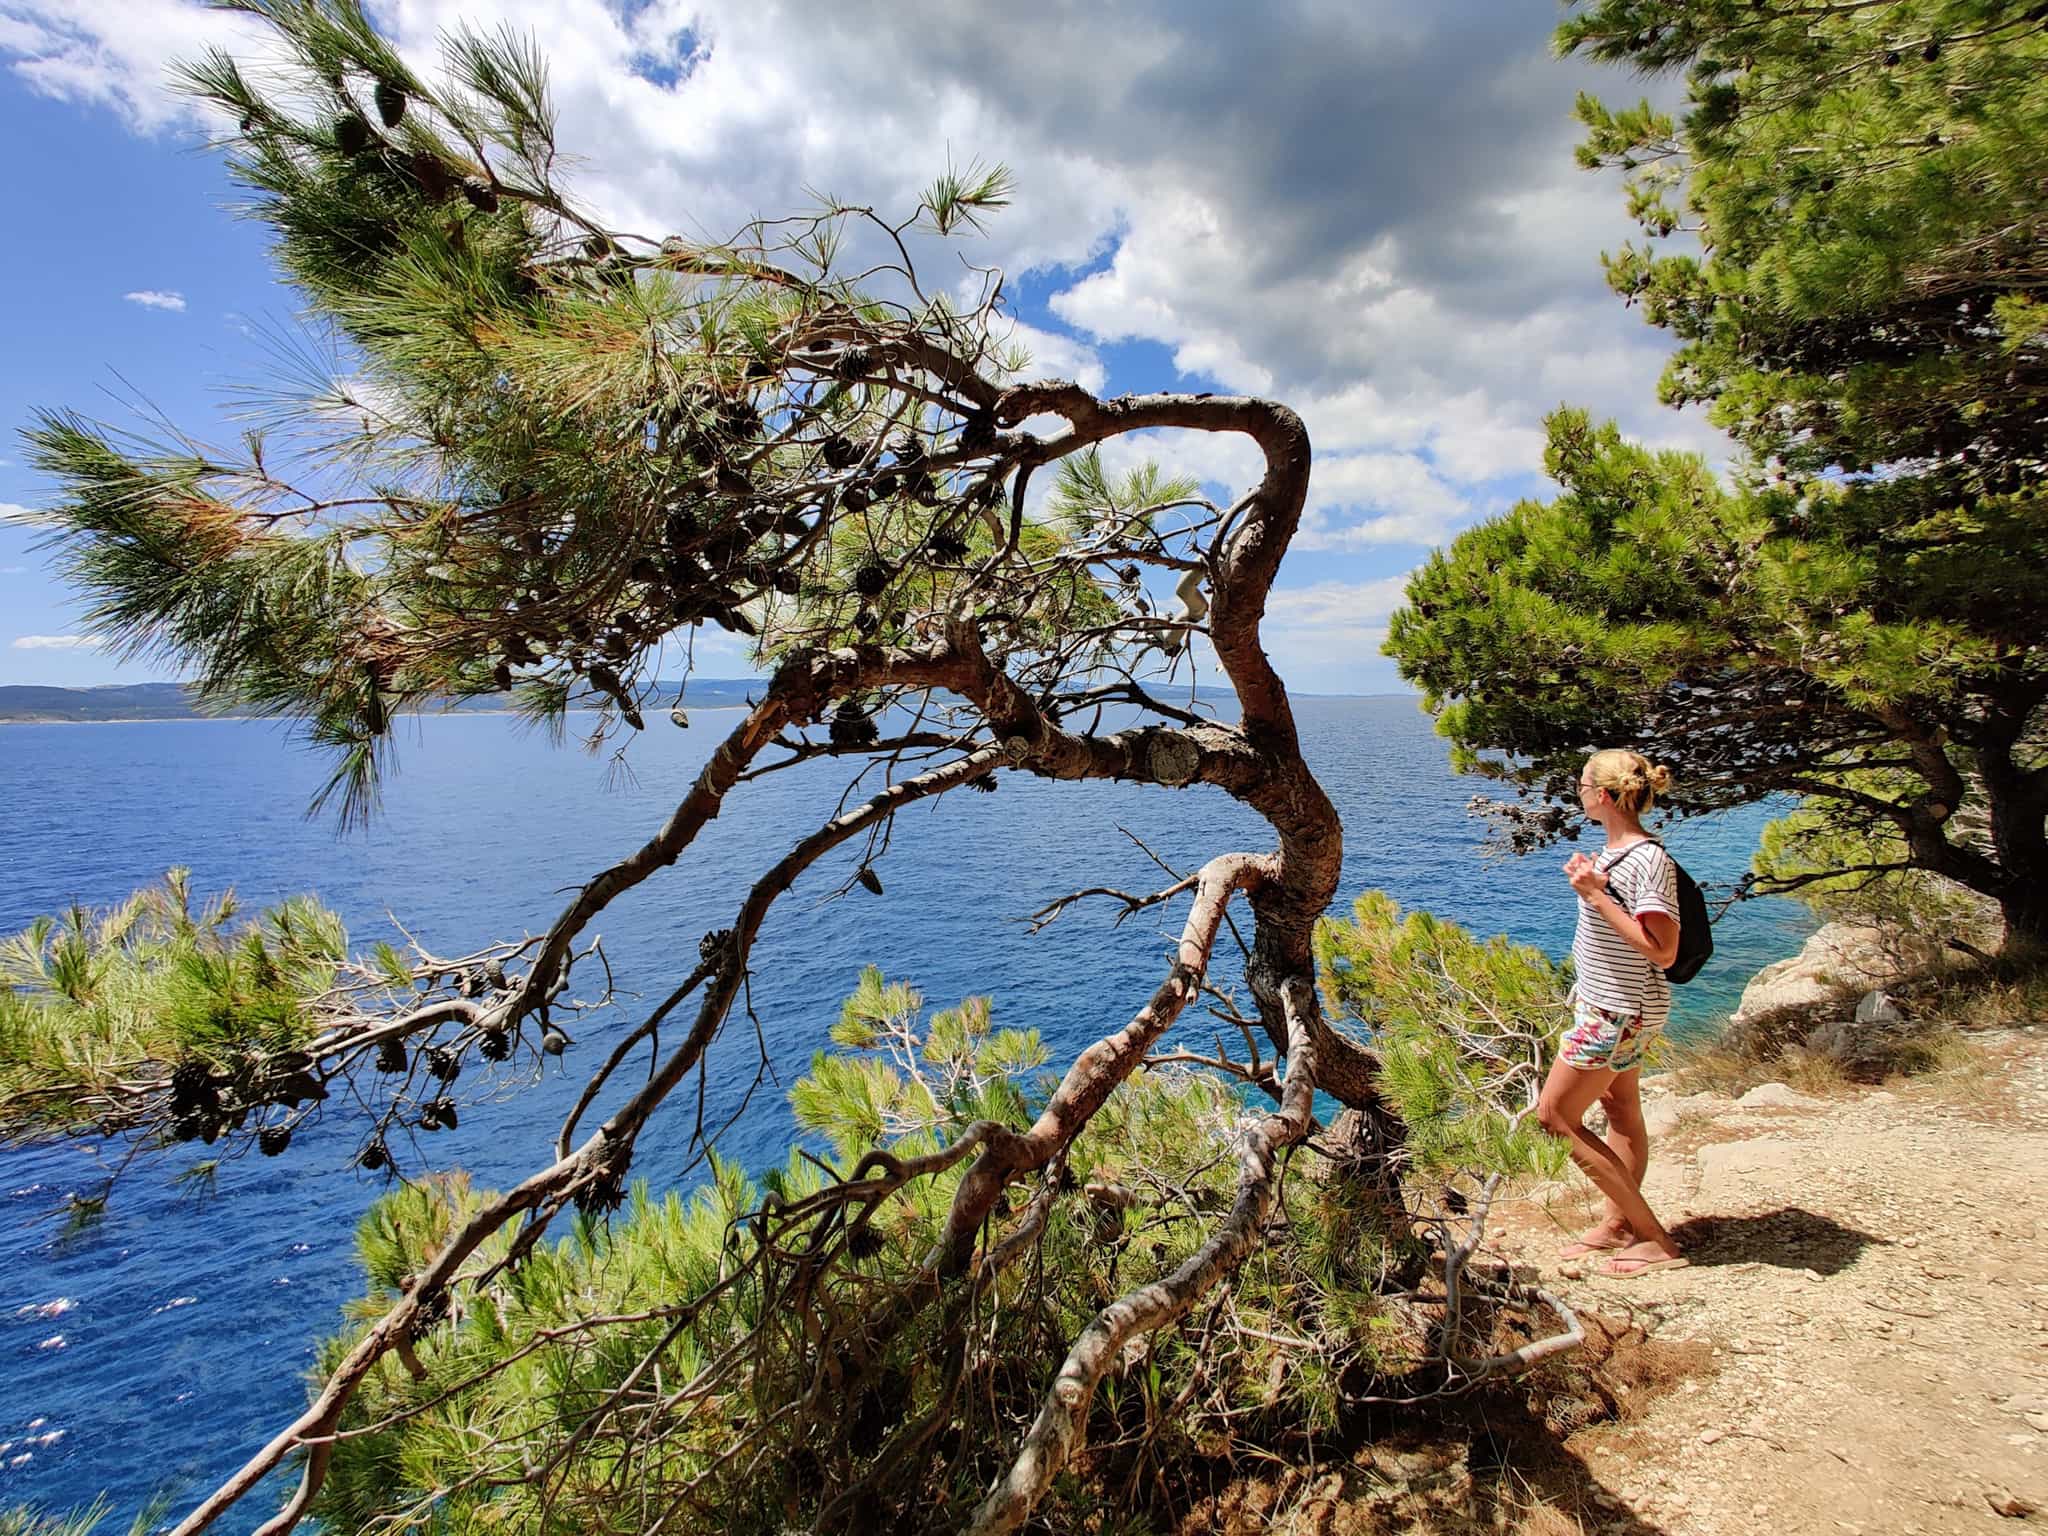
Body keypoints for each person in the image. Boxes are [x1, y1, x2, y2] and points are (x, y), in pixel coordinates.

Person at [1537, 748, 1689, 1277]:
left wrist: (1596, 897)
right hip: (1613, 1006)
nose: (1578, 793)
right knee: (1620, 1109)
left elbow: (1663, 950)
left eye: (1582, 785)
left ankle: (1655, 1240)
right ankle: (1619, 1225)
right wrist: (1593, 884)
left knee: (1555, 1117)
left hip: (1618, 1013)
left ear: (1602, 795)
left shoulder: (1648, 860)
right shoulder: (1616, 854)